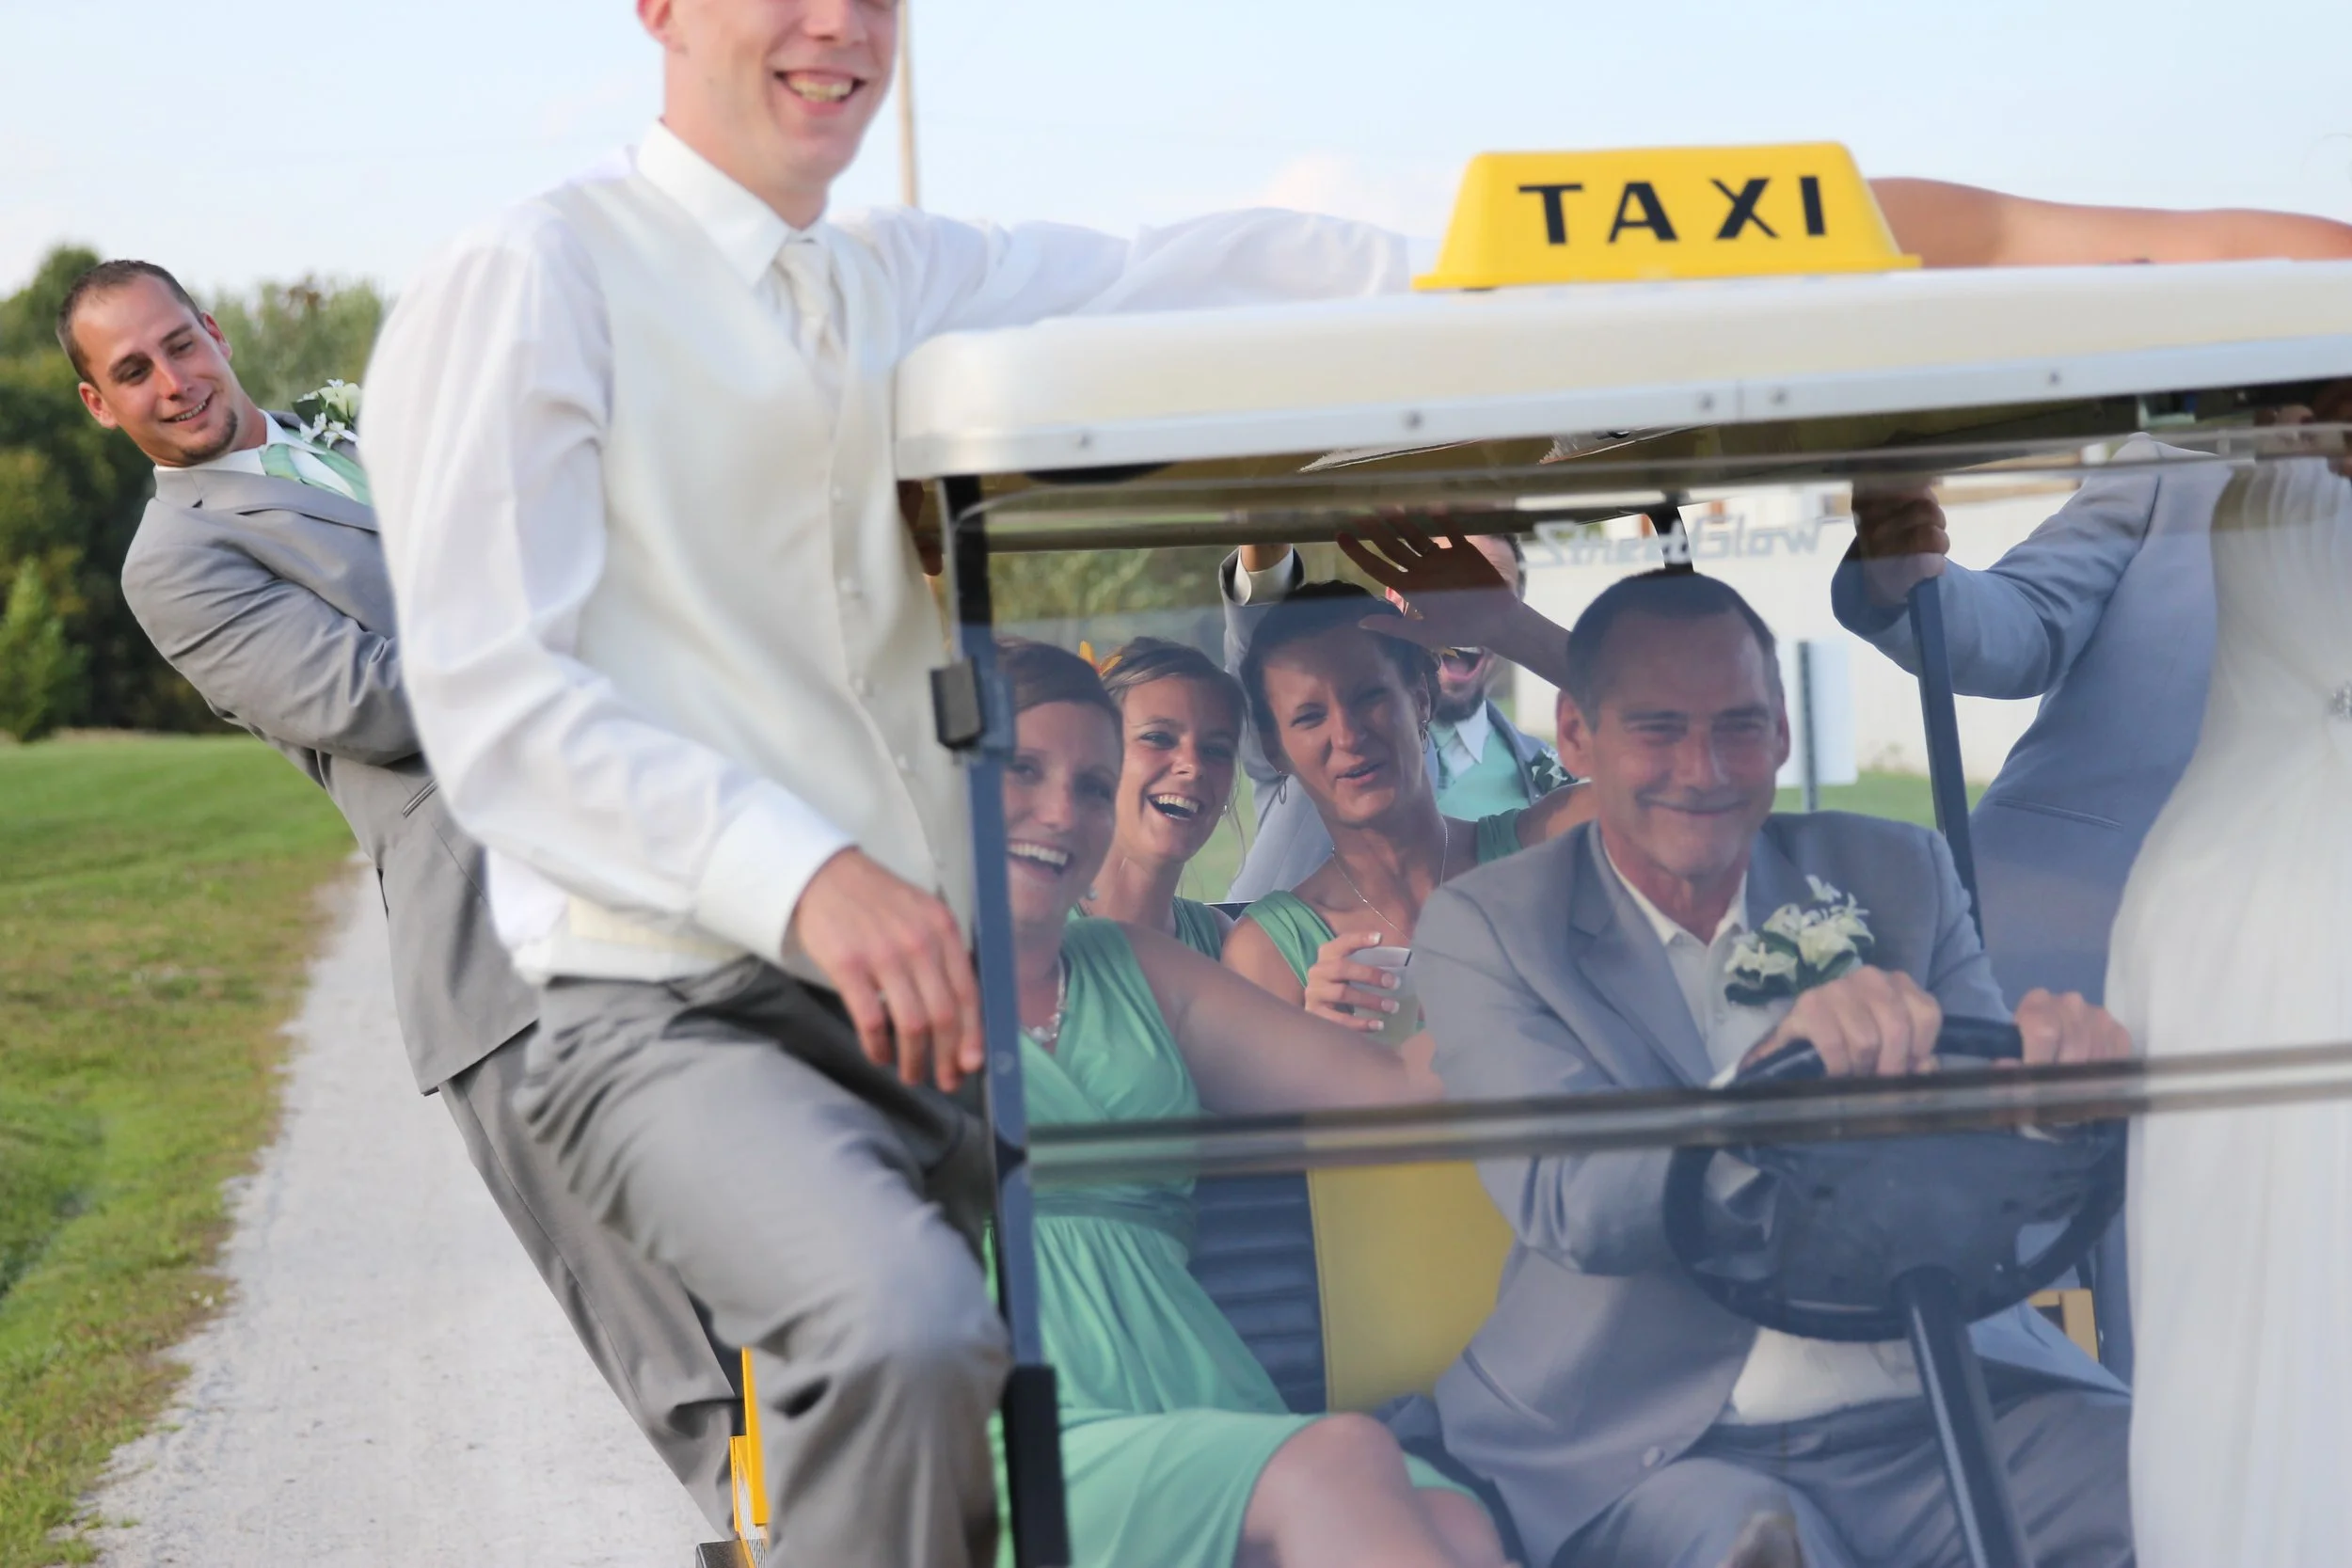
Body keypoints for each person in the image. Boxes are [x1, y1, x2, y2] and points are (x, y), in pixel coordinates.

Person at [59, 260, 741, 1528]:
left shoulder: (368, 436)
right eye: (135, 372)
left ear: (214, 327)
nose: (175, 381)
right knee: (690, 1359)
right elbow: (384, 702)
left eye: (179, 344)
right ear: (103, 407)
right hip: (504, 968)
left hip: (662, 902)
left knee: (799, 1282)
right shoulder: (180, 559)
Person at [1413, 568, 2135, 1568]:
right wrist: (1771, 1083)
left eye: (1740, 726)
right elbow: (1567, 1197)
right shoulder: (1489, 927)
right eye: (1658, 728)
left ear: (1784, 731)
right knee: (1749, 1548)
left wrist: (2053, 1109)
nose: (1704, 768)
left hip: (1945, 1397)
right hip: (1664, 1442)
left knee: (2169, 1477)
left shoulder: (1898, 873)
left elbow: (1983, 1170)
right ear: (1575, 735)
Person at [988, 638, 1503, 1568]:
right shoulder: (876, 974)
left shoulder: (1134, 965)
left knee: (1456, 1519)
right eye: (1022, 769)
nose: (1064, 813)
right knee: (1338, 1460)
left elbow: (1395, 1084)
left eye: (1094, 786)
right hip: (997, 1403)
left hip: (1189, 1378)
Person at [2105, 455, 2352, 1568]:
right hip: (2235, 875)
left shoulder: (2263, 466)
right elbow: (2002, 631)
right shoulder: (2202, 442)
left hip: (2217, 871)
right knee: (2223, 1235)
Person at [1222, 578, 1589, 1028]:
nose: (1348, 736)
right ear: (1275, 749)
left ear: (1420, 698)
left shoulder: (1545, 846)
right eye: (1310, 717)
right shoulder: (1266, 957)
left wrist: (1509, 626)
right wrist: (1314, 1054)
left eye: (1370, 696)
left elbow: (1678, 743)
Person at [1221, 531, 1569, 903]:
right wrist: (1265, 533)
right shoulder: (1311, 746)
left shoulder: (1547, 780)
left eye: (1481, 593)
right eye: (1440, 587)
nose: (1347, 737)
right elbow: (1263, 655)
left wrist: (1513, 628)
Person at [1078, 637, 1248, 958]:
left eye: (1215, 750)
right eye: (1158, 738)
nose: (1193, 766)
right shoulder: (1033, 932)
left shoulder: (1223, 942)